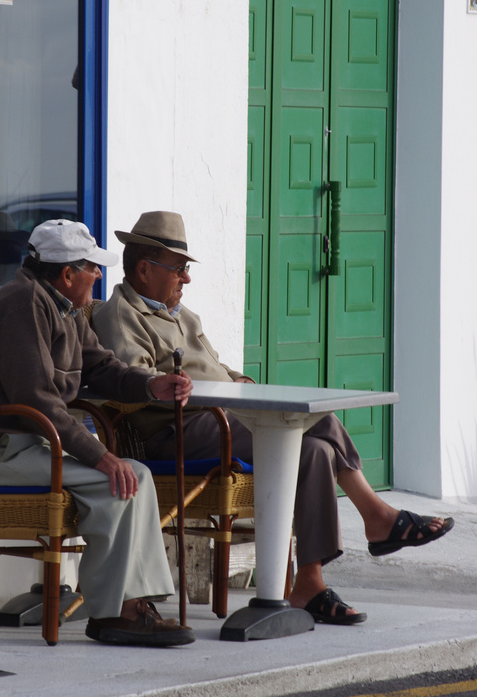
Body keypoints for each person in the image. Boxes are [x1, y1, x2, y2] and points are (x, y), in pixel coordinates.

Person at [92, 211, 455, 626]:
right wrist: (176, 385)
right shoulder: (121, 314)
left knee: (314, 450)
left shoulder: (183, 316)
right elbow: (133, 381)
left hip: (221, 417)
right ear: (144, 268)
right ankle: (377, 517)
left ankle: (309, 583)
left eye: (185, 269)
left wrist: (239, 380)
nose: (186, 279)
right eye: (178, 269)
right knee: (315, 420)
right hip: (176, 431)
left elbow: (213, 367)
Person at [0, 218, 195, 647]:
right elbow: (37, 400)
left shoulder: (65, 307)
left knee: (134, 476)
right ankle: (116, 611)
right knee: (122, 477)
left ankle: (126, 604)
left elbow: (102, 368)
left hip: (32, 443)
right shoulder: (22, 303)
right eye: (92, 269)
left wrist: (150, 384)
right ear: (67, 274)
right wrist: (100, 455)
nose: (99, 275)